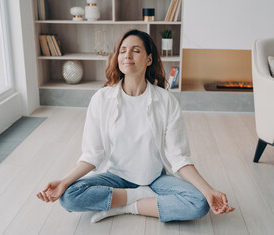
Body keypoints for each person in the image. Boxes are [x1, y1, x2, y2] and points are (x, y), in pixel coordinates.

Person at [37, 29, 234, 223]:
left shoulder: (166, 101)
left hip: (154, 178)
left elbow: (178, 157)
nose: (127, 55)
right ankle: (141, 197)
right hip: (114, 177)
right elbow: (92, 154)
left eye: (136, 50)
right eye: (122, 50)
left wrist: (208, 190)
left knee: (199, 202)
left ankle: (127, 206)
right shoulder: (101, 99)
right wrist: (63, 182)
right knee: (69, 195)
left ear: (149, 59)